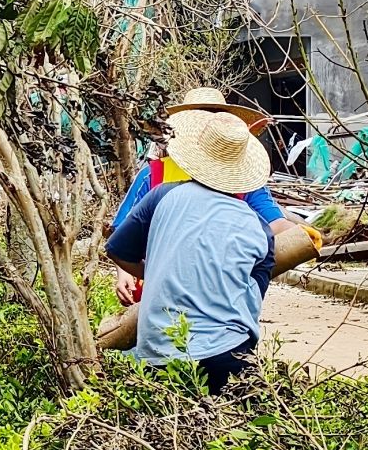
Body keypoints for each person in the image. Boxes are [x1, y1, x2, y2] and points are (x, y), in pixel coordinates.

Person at [104, 112, 276, 394]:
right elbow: (249, 300)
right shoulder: (260, 230)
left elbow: (117, 251)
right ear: (242, 171)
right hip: (228, 356)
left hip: (158, 354)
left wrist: (160, 270)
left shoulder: (162, 196)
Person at [110, 87, 311, 303]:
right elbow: (123, 235)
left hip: (218, 292)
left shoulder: (244, 179)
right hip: (160, 292)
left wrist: (309, 234)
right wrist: (126, 273)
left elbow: (275, 224)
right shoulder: (154, 174)